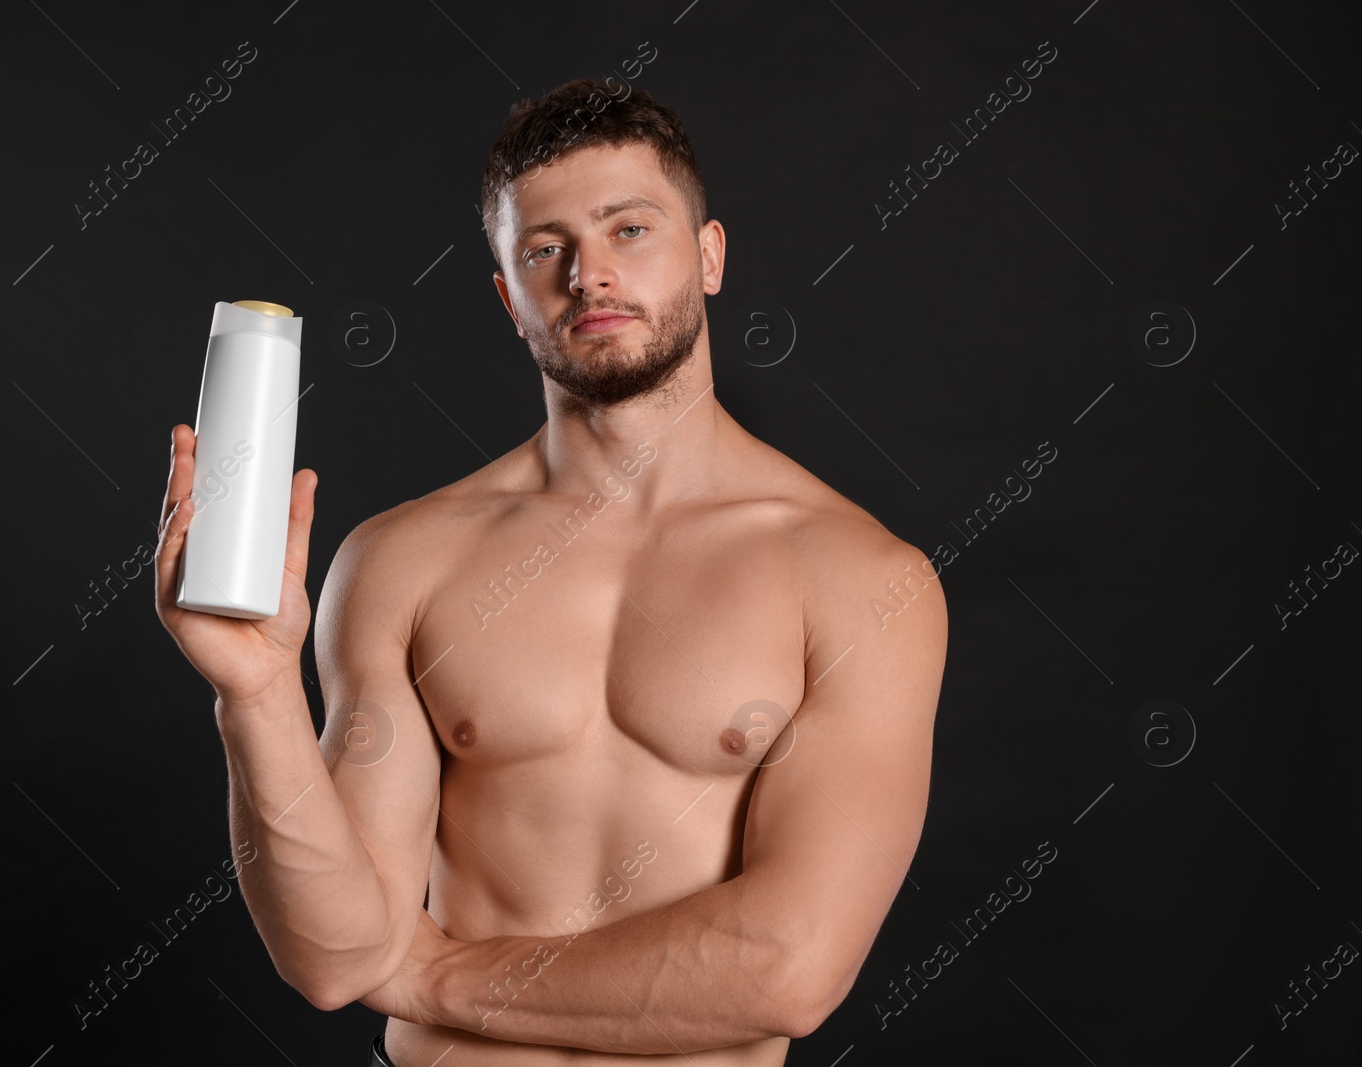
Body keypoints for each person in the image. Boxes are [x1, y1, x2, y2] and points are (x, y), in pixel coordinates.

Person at [155, 77, 947, 1067]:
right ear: (506, 293)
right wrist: (258, 694)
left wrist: (436, 978)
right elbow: (333, 954)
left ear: (707, 256)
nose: (589, 275)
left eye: (629, 229)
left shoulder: (857, 576)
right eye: (545, 248)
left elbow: (787, 966)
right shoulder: (403, 558)